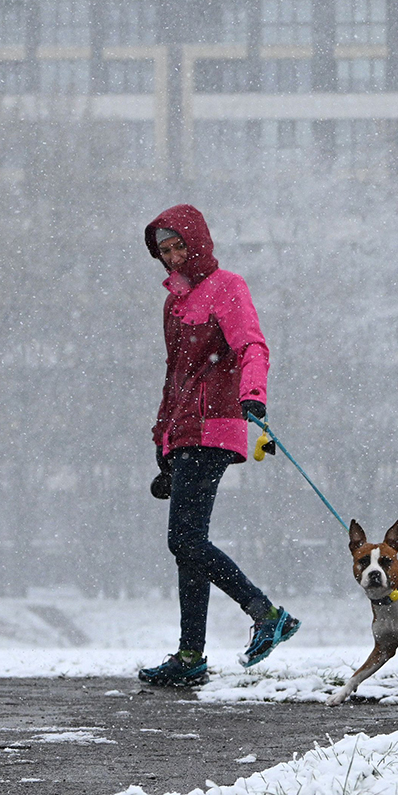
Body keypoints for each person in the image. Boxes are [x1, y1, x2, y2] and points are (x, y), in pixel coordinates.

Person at [138, 204, 298, 688]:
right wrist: (163, 444)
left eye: (178, 247)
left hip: (216, 426)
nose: (172, 258)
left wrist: (254, 394)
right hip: (185, 431)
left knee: (184, 540)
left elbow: (252, 346)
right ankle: (190, 657)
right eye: (164, 252)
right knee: (189, 547)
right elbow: (176, 379)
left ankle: (267, 614)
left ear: (197, 242)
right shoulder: (173, 304)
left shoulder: (226, 287)